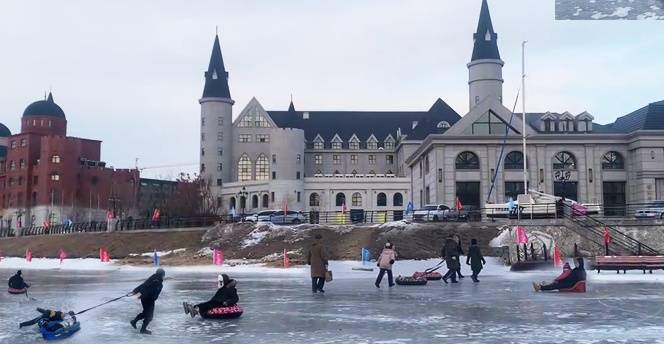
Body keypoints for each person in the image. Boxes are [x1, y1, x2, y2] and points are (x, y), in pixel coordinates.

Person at [130, 268, 164, 335]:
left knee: (146, 313)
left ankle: (135, 322)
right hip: (149, 299)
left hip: (145, 298)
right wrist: (151, 297)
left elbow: (143, 285)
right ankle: (142, 329)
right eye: (163, 275)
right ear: (161, 274)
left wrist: (135, 291)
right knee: (149, 316)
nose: (163, 276)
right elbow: (149, 290)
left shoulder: (152, 278)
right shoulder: (158, 282)